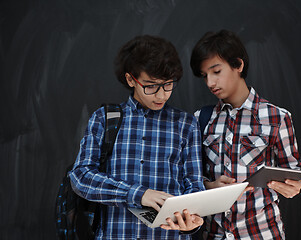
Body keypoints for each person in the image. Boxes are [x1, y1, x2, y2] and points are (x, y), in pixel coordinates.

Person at [69, 35, 205, 239]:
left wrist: (191, 222)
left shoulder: (186, 124)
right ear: (131, 79)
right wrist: (138, 194)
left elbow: (194, 186)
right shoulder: (105, 119)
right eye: (151, 86)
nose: (161, 95)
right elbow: (80, 177)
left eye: (168, 84)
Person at [190, 29, 301, 239]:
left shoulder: (276, 117)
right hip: (213, 234)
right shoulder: (201, 118)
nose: (210, 83)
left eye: (216, 72)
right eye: (205, 76)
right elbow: (190, 178)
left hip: (261, 233)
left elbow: (297, 173)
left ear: (238, 65)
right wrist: (209, 186)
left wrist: (298, 187)